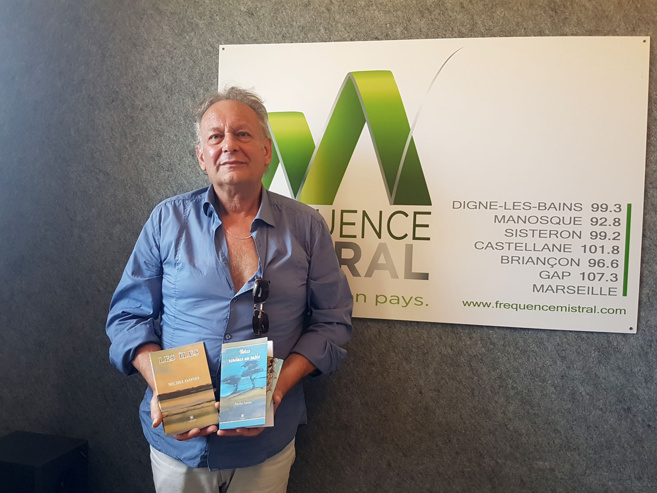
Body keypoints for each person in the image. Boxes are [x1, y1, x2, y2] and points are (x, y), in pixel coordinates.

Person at [106, 87, 353, 492]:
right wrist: (163, 385)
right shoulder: (167, 221)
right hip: (179, 442)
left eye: (242, 133)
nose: (229, 145)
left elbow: (333, 322)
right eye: (216, 137)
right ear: (201, 156)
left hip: (266, 443)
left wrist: (276, 390)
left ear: (267, 150)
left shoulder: (307, 227)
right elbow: (127, 317)